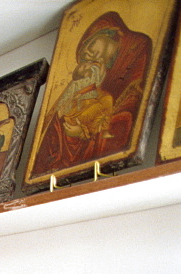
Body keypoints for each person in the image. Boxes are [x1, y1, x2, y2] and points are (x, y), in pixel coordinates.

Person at [31, 12, 152, 176]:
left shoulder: (104, 98)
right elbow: (52, 127)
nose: (88, 62)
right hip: (55, 158)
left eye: (96, 59)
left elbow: (101, 129)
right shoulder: (70, 91)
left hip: (80, 153)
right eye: (88, 52)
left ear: (104, 69)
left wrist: (78, 133)